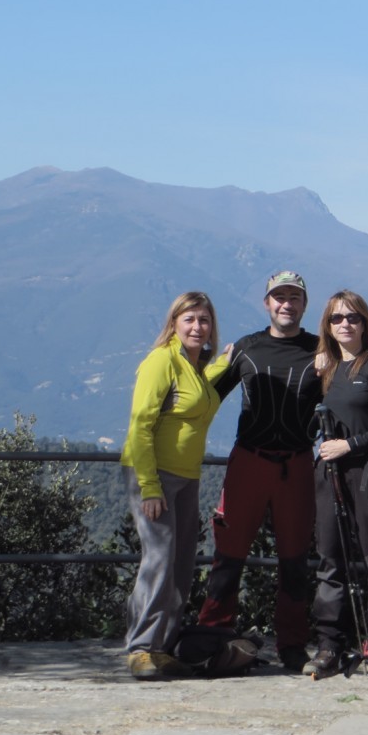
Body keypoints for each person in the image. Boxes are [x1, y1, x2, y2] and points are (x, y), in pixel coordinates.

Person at [196, 271, 322, 672]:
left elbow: (352, 393)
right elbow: (205, 397)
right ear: (266, 303)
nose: (287, 303)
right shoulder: (246, 349)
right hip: (249, 461)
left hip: (297, 463)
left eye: (294, 297)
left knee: (295, 560)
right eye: (279, 297)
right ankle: (214, 633)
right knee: (228, 555)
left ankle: (292, 646)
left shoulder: (321, 352)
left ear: (305, 304)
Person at [121, 291, 227, 680]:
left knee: (182, 564)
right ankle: (140, 648)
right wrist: (149, 486)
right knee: (159, 560)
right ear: (174, 324)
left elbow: (198, 395)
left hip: (187, 476)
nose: (198, 327)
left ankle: (162, 646)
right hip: (155, 475)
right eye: (190, 320)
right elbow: (140, 425)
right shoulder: (161, 360)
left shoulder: (194, 367)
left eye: (204, 320)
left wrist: (226, 362)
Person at [304, 290, 368, 679]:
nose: (345, 324)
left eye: (353, 318)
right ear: (327, 325)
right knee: (331, 559)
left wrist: (351, 443)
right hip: (330, 475)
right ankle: (330, 644)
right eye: (336, 318)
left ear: (365, 323)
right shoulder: (325, 370)